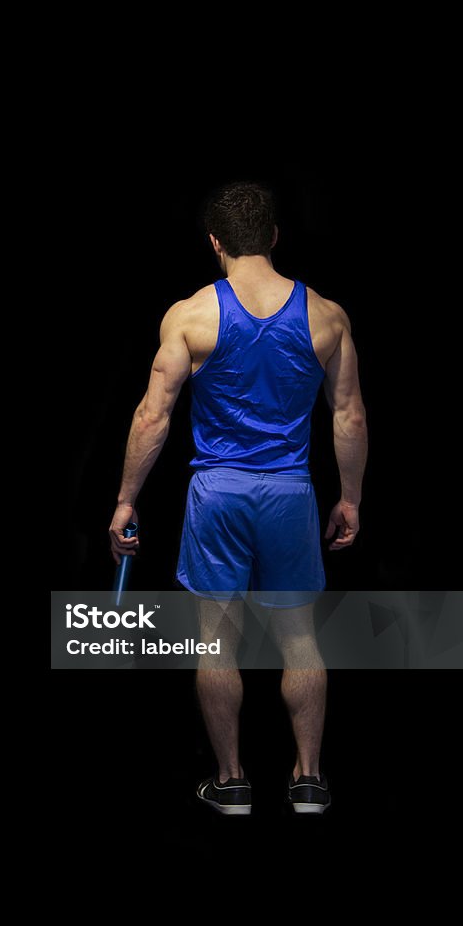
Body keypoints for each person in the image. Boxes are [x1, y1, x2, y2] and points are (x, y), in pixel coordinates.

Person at [108, 182, 367, 815]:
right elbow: (349, 415)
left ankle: (231, 783)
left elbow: (151, 416)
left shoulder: (190, 315)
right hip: (289, 495)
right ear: (274, 236)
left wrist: (124, 501)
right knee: (299, 639)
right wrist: (351, 498)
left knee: (215, 642)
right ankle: (308, 780)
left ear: (215, 242)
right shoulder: (327, 316)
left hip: (217, 496)